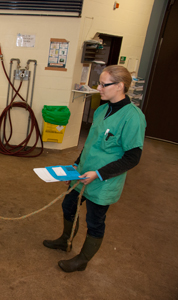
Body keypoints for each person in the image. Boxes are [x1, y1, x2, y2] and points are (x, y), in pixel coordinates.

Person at [43, 65, 147, 272]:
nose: (98, 88)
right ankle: (65, 241)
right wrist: (75, 164)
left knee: (95, 220)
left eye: (103, 84)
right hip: (82, 173)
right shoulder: (101, 110)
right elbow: (91, 144)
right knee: (68, 206)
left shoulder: (133, 117)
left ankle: (82, 260)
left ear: (120, 86)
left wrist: (98, 173)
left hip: (104, 181)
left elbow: (132, 158)